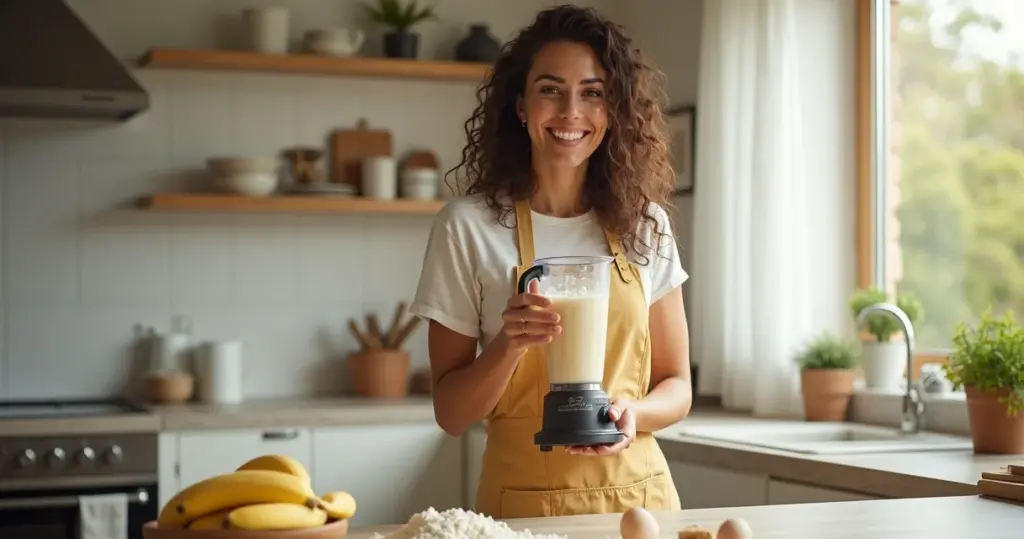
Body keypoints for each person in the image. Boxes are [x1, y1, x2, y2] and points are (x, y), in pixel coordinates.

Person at [409, 5, 692, 519]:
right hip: (521, 510)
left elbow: (677, 385)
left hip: (641, 506)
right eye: (550, 89)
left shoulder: (645, 223)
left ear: (613, 110)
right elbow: (451, 414)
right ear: (520, 105)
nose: (570, 112)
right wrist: (509, 343)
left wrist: (634, 413)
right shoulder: (467, 226)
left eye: (592, 92)